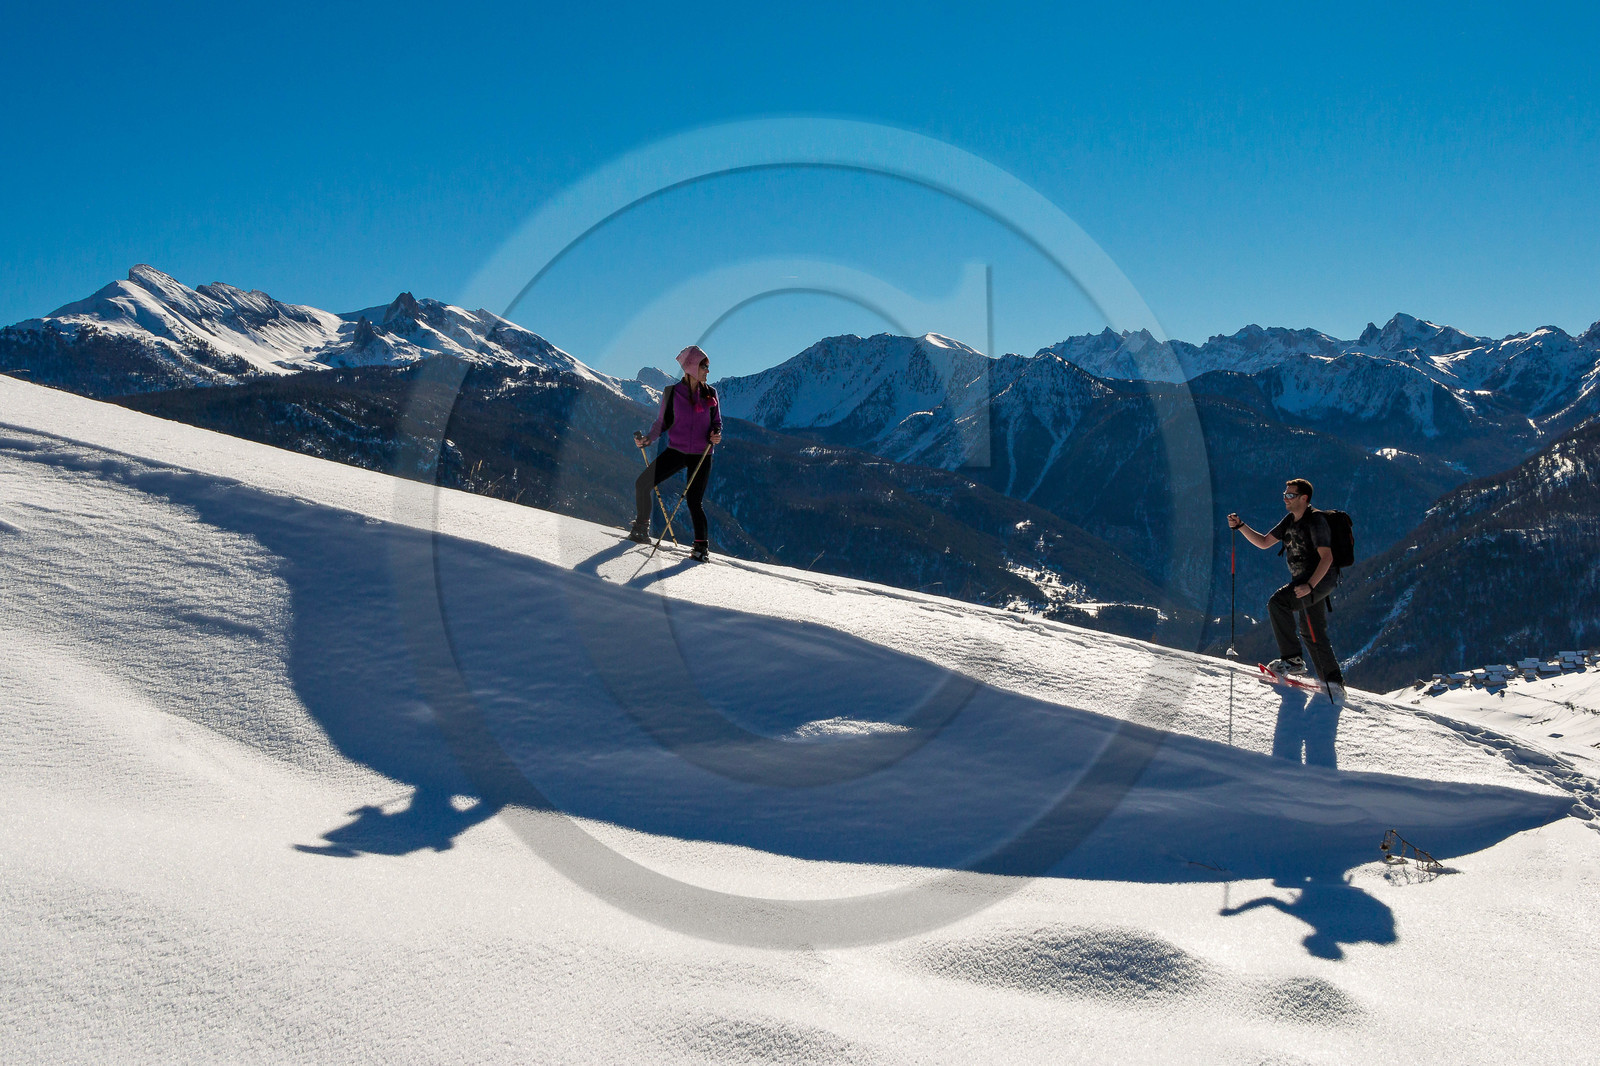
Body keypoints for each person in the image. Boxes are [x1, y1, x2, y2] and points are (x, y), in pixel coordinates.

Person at [1228, 478, 1345, 696]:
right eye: (1285, 494)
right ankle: (1333, 684)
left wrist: (1310, 585)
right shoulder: (1290, 520)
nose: (1285, 498)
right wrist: (1241, 526)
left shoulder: (1316, 521)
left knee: (1278, 603)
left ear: (1304, 498)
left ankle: (1292, 660)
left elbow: (1327, 557)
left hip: (1318, 580)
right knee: (1312, 631)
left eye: (1290, 495)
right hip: (1307, 582)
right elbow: (1264, 542)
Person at [629, 345, 722, 561]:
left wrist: (715, 434)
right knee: (643, 483)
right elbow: (662, 422)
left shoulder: (711, 394)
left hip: (702, 454)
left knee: (694, 501)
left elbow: (717, 423)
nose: (708, 371)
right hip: (677, 451)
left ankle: (701, 547)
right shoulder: (672, 393)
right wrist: (648, 439)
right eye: (704, 366)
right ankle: (642, 527)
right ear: (691, 367)